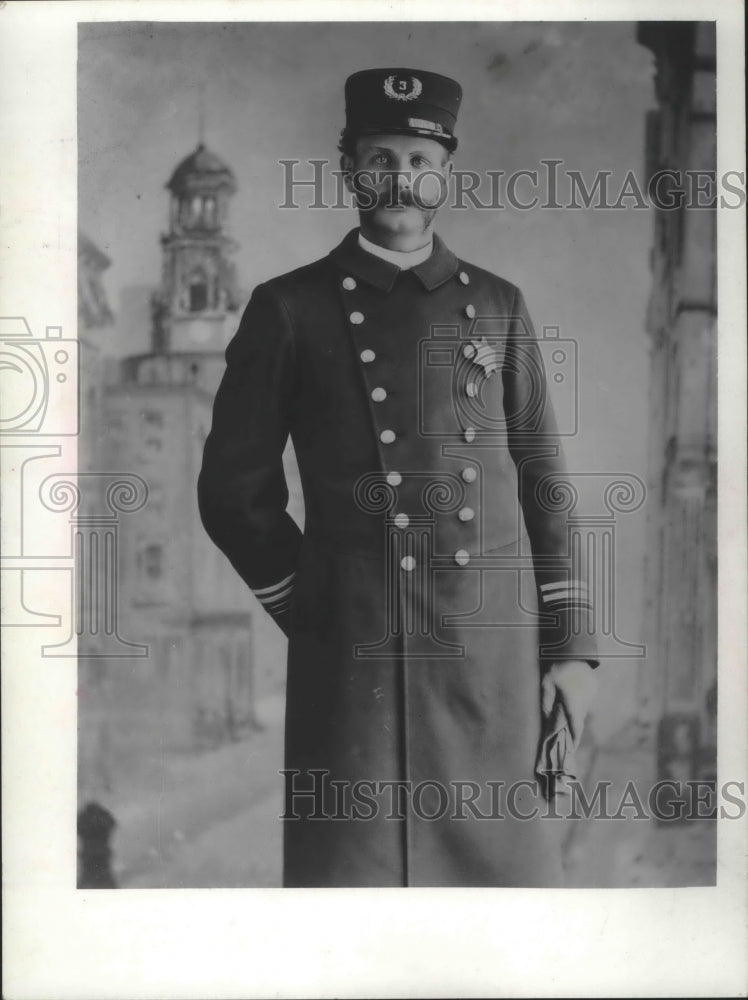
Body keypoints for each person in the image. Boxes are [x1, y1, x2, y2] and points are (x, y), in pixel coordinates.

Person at [198, 68, 599, 887]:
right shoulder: (290, 308)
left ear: (445, 171)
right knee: (353, 893)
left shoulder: (498, 304)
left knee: (505, 913)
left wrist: (570, 652)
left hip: (489, 659)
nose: (400, 179)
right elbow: (232, 490)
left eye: (419, 157)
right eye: (379, 157)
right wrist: (310, 602)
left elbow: (544, 479)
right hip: (355, 661)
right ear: (348, 168)